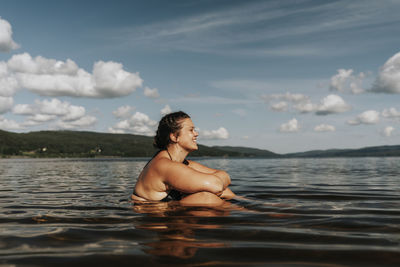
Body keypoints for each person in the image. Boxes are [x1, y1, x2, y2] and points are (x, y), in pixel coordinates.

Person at [131, 111, 235, 206]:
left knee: (225, 192)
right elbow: (216, 185)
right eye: (191, 130)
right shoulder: (164, 165)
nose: (196, 134)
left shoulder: (182, 163)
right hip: (152, 218)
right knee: (207, 198)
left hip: (169, 216)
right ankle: (243, 215)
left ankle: (245, 210)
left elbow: (226, 176)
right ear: (174, 137)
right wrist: (214, 185)